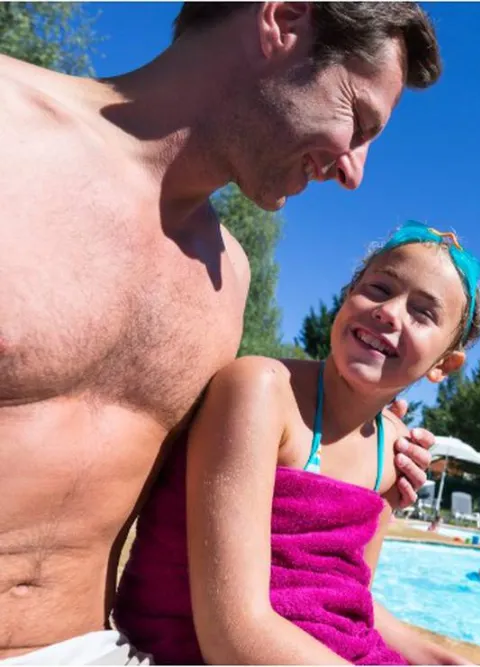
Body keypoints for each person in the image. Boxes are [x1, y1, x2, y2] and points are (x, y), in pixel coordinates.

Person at [0, 3, 443, 663]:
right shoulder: (11, 134)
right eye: (358, 118)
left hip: (95, 649)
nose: (355, 171)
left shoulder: (227, 274)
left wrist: (363, 445)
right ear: (283, 21)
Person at [114, 222, 480, 665]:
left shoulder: (394, 451)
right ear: (347, 297)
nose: (389, 311)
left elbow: (349, 595)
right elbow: (233, 634)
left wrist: (442, 659)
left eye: (423, 313)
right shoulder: (262, 391)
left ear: (444, 364)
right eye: (379, 288)